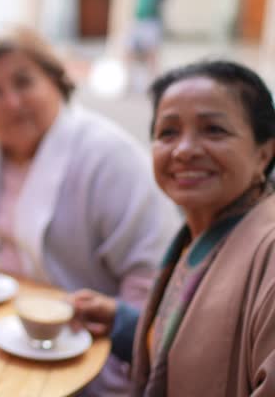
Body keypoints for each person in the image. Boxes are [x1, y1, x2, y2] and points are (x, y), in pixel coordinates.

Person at [0, 27, 180, 396]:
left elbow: (148, 276)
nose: (11, 102)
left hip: (79, 349)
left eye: (23, 82)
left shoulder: (110, 157)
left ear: (57, 83)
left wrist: (120, 344)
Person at [71, 60, 275, 396]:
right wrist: (124, 324)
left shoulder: (267, 248)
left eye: (214, 130)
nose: (184, 150)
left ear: (264, 154)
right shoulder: (202, 236)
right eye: (168, 132)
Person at [128, 0, 169, 89]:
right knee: (130, 51)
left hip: (152, 20)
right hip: (139, 18)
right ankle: (131, 81)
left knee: (152, 54)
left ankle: (153, 83)